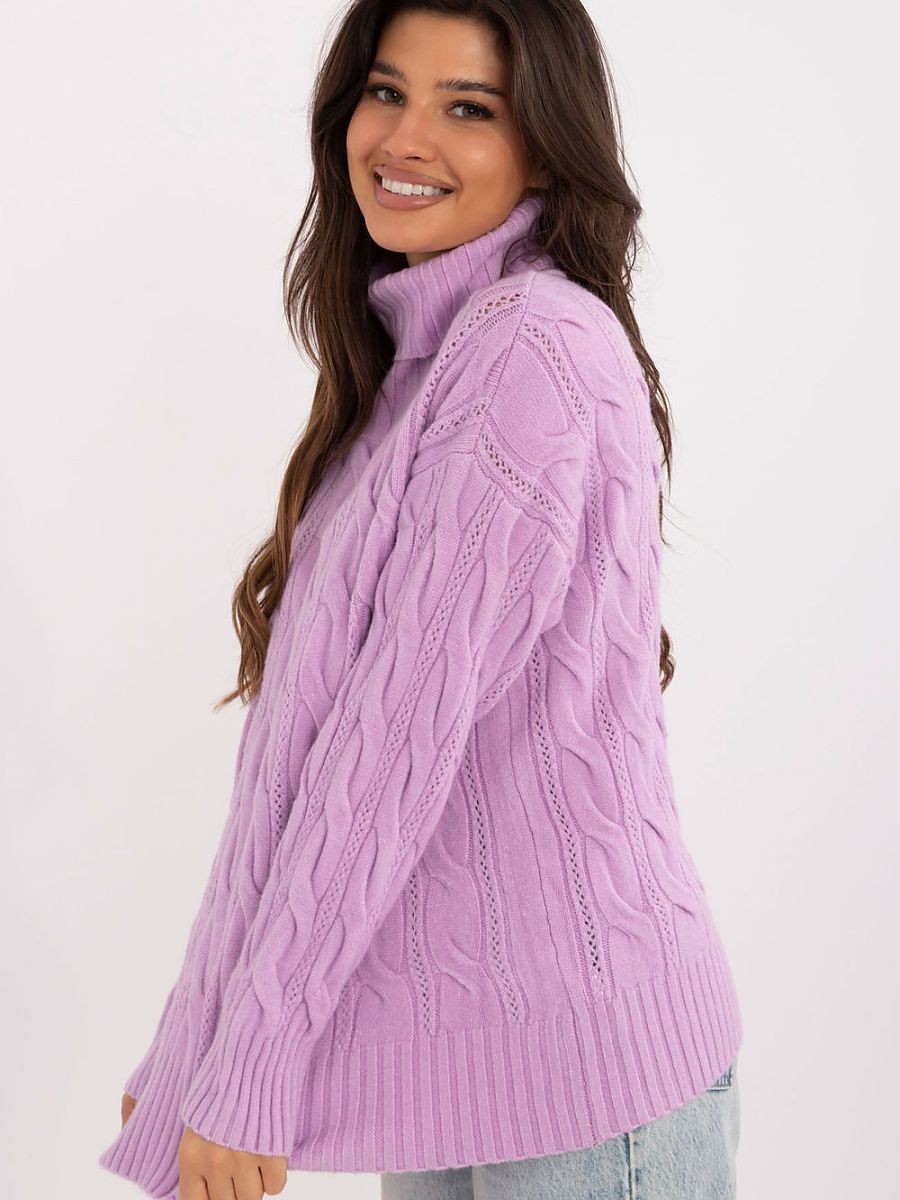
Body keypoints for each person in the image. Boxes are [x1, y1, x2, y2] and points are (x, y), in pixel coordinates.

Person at [98, 2, 743, 1198]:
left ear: (544, 147)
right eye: (387, 91)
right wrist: (200, 1040)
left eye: (469, 108)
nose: (405, 138)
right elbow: (301, 759)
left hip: (588, 1080)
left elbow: (390, 749)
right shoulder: (419, 363)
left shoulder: (531, 348)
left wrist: (249, 1059)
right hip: (460, 1072)